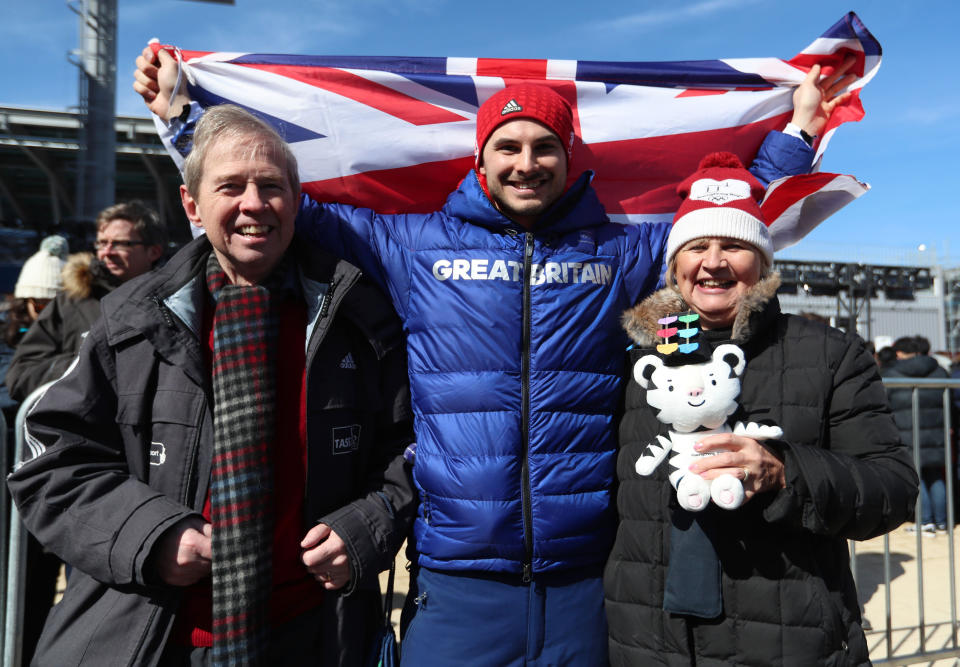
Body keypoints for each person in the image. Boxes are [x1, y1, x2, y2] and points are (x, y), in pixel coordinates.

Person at [135, 46, 855, 664]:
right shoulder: (416, 247)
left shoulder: (619, 250)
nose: (526, 162)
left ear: (569, 157)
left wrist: (796, 132)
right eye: (508, 147)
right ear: (480, 159)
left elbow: (718, 217)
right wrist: (182, 119)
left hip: (586, 579)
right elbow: (281, 204)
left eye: (544, 146)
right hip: (456, 581)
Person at [7, 104, 415, 666]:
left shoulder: (359, 320)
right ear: (192, 205)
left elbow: (408, 451)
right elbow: (51, 458)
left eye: (271, 186)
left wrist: (366, 526)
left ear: (296, 202)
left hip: (316, 636)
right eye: (231, 186)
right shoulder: (130, 319)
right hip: (154, 639)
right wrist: (148, 534)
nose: (253, 203)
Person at [605, 152, 918, 665]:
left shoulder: (829, 352)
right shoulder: (636, 360)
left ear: (763, 262)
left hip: (786, 642)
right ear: (675, 264)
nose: (713, 262)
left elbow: (893, 490)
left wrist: (785, 472)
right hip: (646, 642)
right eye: (697, 246)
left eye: (734, 246)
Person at [5, 202, 167, 402]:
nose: (106, 252)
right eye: (101, 243)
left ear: (154, 252)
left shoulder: (176, 302)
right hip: (88, 428)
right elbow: (20, 375)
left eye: (119, 243)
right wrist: (85, 365)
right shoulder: (71, 302)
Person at [882, 335, 949, 534]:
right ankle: (942, 522)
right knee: (936, 476)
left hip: (907, 433)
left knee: (916, 477)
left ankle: (925, 521)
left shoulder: (892, 374)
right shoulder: (940, 372)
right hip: (937, 433)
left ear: (900, 353)